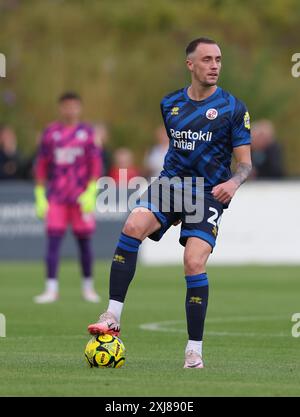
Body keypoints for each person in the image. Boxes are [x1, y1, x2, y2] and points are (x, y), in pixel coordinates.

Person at [87, 37, 252, 368]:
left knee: (193, 262)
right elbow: (179, 152)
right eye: (206, 59)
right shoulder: (170, 104)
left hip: (207, 191)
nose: (215, 65)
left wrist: (234, 183)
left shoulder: (234, 108)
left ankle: (194, 349)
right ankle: (112, 316)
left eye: (218, 59)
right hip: (171, 185)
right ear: (190, 65)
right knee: (133, 224)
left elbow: (245, 163)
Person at [34, 92, 102, 303]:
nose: (70, 110)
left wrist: (92, 190)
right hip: (57, 197)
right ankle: (51, 288)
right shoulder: (50, 133)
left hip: (81, 197)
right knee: (53, 242)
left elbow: (96, 163)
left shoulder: (88, 133)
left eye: (74, 106)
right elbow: (41, 164)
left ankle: (88, 287)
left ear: (79, 108)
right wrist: (39, 194)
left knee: (84, 243)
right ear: (60, 108)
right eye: (66, 106)